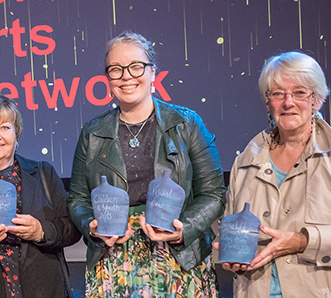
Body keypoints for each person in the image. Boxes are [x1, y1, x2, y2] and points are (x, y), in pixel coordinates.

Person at [218, 51, 331, 297]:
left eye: (300, 92)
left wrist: (304, 241)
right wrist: (231, 255)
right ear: (268, 101)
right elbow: (230, 230)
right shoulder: (246, 162)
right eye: (278, 93)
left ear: (317, 99)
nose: (288, 102)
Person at [68, 31, 225, 298]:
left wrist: (183, 230)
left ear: (153, 72)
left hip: (179, 257)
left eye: (136, 67)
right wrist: (92, 225)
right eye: (116, 70)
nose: (126, 76)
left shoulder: (187, 123)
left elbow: (214, 193)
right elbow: (77, 200)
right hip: (113, 261)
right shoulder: (92, 132)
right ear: (108, 79)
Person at [0, 94, 81, 297]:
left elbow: (72, 228)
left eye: (5, 127)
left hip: (43, 291)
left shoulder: (43, 173)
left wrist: (41, 232)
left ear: (15, 134)